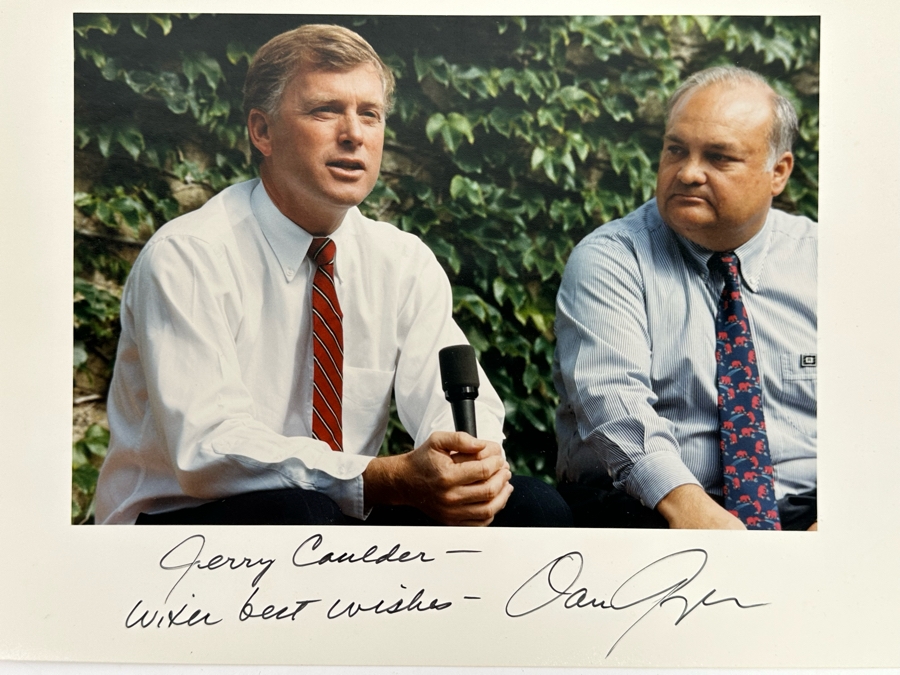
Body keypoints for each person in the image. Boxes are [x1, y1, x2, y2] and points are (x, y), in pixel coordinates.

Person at [95, 24, 571, 528]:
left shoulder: (402, 261)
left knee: (532, 506)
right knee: (299, 512)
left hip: (333, 513)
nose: (354, 134)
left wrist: (471, 468)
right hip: (177, 526)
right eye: (325, 110)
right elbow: (209, 449)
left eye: (370, 114)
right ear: (262, 132)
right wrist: (379, 478)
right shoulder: (190, 256)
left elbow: (452, 408)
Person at [553, 66, 817, 531]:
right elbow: (613, 403)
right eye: (676, 150)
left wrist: (842, 519)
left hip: (812, 510)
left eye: (719, 157)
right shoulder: (613, 258)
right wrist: (694, 512)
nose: (689, 173)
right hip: (655, 511)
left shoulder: (825, 261)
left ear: (778, 172)